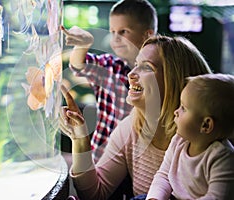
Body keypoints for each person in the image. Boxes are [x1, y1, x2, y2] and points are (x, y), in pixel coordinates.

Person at [59, 35, 212, 200]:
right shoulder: (130, 127)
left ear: (174, 80)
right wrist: (80, 140)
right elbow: (95, 194)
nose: (131, 74)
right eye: (136, 65)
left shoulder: (205, 138)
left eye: (146, 68)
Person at [61, 0, 158, 161]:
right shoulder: (110, 67)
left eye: (123, 31)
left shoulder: (158, 75)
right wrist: (83, 46)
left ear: (147, 35)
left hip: (140, 163)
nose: (116, 38)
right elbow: (78, 65)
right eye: (112, 31)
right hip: (102, 159)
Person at [146, 73, 234, 200]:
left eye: (183, 108)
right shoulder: (179, 141)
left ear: (206, 125)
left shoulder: (223, 158)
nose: (176, 112)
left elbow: (216, 197)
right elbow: (164, 176)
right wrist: (155, 198)